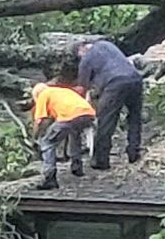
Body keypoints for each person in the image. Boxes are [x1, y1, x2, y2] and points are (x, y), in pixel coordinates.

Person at [76, 39, 143, 170]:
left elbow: (82, 89)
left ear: (82, 49)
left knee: (106, 121)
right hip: (135, 78)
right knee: (134, 116)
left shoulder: (86, 59)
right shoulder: (107, 45)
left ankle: (101, 159)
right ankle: (134, 152)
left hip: (114, 83)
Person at [31, 82, 96, 190]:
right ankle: (77, 167)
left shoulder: (43, 94)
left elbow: (39, 121)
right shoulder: (63, 91)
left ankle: (49, 178)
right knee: (75, 134)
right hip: (88, 114)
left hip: (69, 116)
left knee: (47, 143)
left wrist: (34, 138)